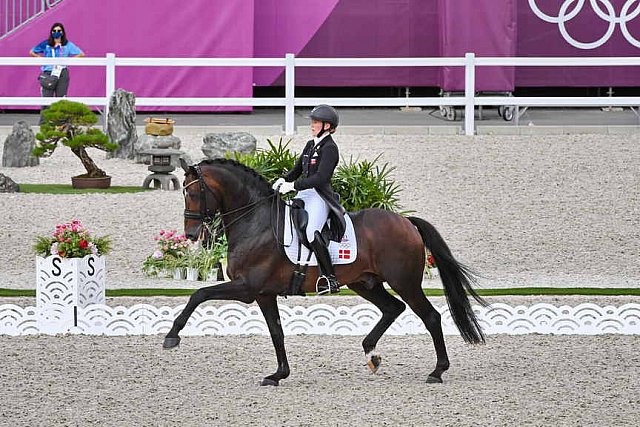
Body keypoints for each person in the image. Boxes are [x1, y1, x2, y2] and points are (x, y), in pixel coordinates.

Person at [272, 105, 345, 295]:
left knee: (312, 231)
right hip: (303, 194)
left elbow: (321, 178)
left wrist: (294, 186)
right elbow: (297, 170)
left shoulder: (330, 148)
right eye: (312, 122)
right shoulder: (310, 144)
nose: (312, 125)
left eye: (315, 122)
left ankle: (330, 278)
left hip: (319, 196)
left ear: (327, 125)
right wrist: (284, 180)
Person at [29, 22, 84, 100]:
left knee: (61, 99)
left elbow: (81, 54)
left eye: (59, 30)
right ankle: (46, 112)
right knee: (46, 98)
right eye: (54, 30)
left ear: (62, 32)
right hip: (48, 72)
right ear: (51, 32)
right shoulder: (46, 44)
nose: (56, 32)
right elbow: (32, 52)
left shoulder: (67, 44)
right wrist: (40, 58)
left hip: (62, 72)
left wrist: (68, 61)